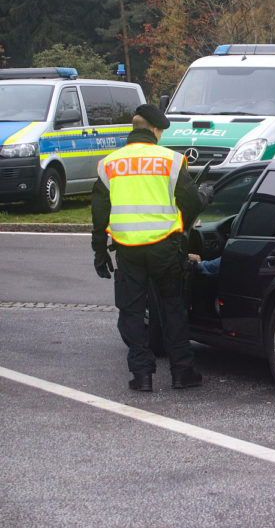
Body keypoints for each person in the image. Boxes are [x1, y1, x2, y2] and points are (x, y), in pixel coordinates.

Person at [91, 103, 212, 392]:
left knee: (131, 311)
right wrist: (205, 195)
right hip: (165, 248)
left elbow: (99, 213)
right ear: (156, 130)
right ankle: (182, 372)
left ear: (134, 129)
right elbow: (192, 202)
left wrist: (99, 251)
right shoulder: (170, 160)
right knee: (172, 308)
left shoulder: (109, 164)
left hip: (127, 250)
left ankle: (142, 375)